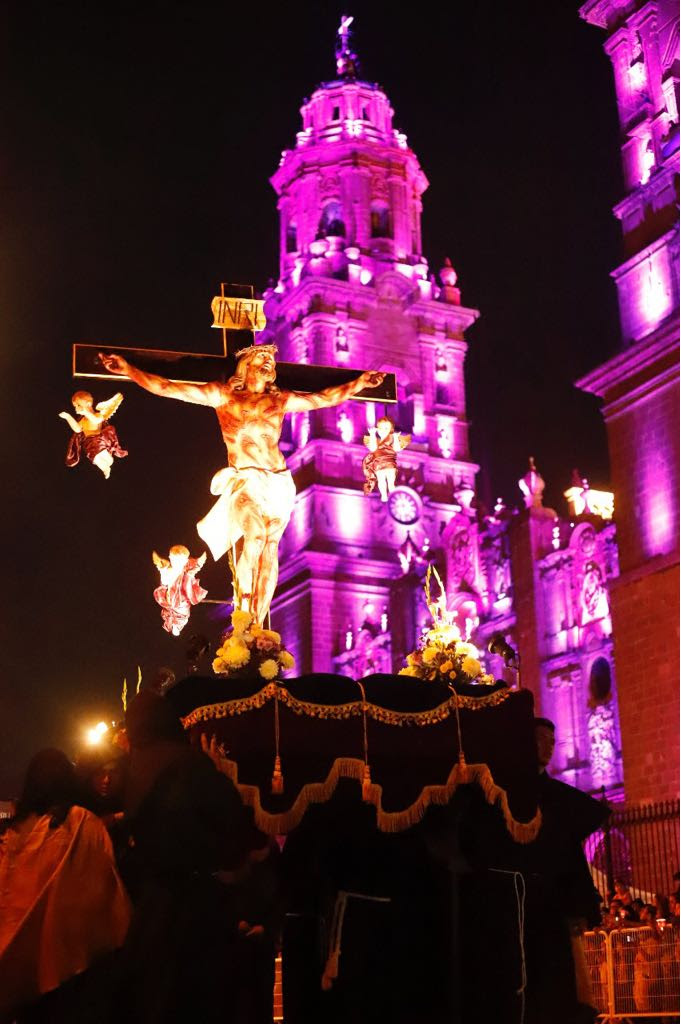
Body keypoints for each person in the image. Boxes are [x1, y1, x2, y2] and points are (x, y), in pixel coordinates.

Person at [100, 346, 384, 623]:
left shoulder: (279, 401)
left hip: (278, 480)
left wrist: (358, 383)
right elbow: (167, 387)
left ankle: (258, 625)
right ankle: (244, 615)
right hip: (246, 480)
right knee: (255, 537)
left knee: (270, 548)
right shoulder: (223, 396)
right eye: (262, 357)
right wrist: (129, 370)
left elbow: (323, 398)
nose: (269, 363)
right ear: (245, 364)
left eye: (271, 360)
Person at [117, 689, 274, 1023]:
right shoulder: (188, 764)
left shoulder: (137, 765)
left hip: (153, 908)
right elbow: (229, 827)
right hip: (197, 909)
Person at [0, 749, 131, 1022]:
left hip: (21, 959)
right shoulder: (82, 821)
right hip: (71, 958)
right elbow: (105, 888)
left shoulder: (15, 832)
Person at [523, 717, 610, 1024]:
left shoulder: (560, 798)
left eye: (552, 741)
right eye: (540, 739)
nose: (548, 746)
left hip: (555, 904)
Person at [60, 391, 128, 479]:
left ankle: (106, 466)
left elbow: (96, 420)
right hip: (88, 443)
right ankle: (106, 465)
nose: (76, 408)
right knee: (97, 458)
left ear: (88, 404)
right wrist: (68, 417)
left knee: (99, 457)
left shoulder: (97, 415)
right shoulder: (83, 420)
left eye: (79, 405)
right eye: (75, 406)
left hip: (97, 440)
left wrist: (86, 413)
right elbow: (77, 429)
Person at [152, 545, 208, 636]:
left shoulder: (186, 573)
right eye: (174, 560)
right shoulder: (169, 570)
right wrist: (165, 572)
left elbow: (193, 569)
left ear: (185, 561)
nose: (176, 563)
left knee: (182, 614)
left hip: (182, 599)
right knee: (172, 609)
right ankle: (173, 622)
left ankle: (177, 624)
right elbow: (164, 581)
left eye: (180, 561)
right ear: (170, 558)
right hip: (170, 596)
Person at [362, 416, 410, 502]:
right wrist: (372, 434)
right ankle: (384, 495)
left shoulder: (391, 440)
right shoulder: (377, 441)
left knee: (391, 482)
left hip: (389, 463)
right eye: (381, 428)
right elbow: (373, 448)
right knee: (381, 480)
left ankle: (392, 495)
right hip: (379, 463)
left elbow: (397, 448)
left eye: (386, 428)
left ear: (391, 430)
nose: (383, 430)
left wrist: (395, 438)